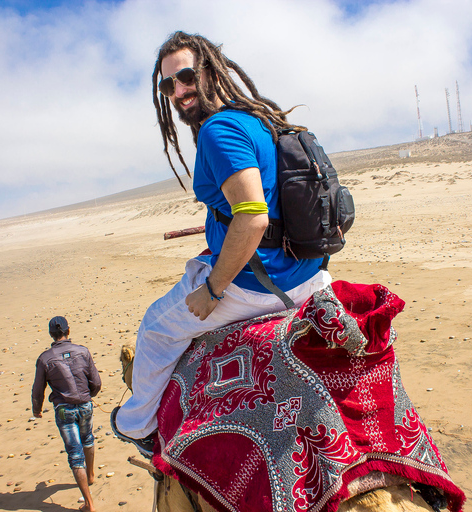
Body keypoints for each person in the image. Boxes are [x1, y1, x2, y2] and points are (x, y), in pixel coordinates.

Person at [110, 31, 331, 457]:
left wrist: (212, 292)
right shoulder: (256, 118)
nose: (178, 91)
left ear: (210, 72)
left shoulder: (218, 130)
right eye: (167, 85)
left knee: (156, 327)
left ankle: (137, 426)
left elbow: (251, 216)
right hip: (306, 271)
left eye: (186, 77)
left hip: (257, 283)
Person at [32, 316, 101, 512]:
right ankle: (91, 475)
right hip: (85, 404)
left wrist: (36, 409)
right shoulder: (82, 351)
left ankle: (89, 504)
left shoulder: (44, 358)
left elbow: (38, 389)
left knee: (74, 454)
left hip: (64, 409)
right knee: (88, 438)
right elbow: (96, 381)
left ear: (51, 335)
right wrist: (89, 396)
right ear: (68, 331)